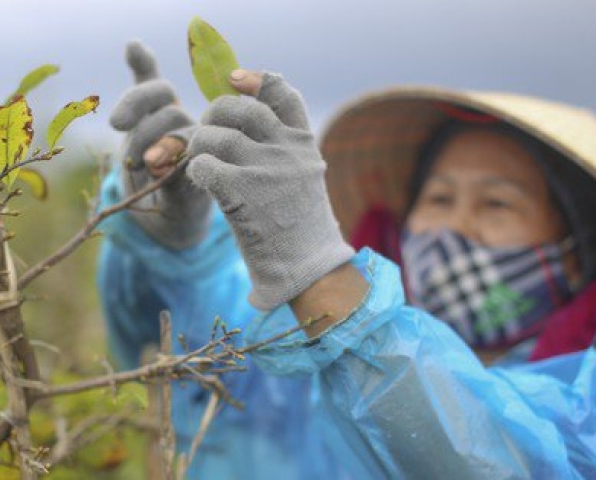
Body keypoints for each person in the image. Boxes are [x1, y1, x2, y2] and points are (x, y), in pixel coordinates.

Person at [97, 41, 596, 478]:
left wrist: (325, 279)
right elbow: (178, 324)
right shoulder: (302, 348)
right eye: (439, 199)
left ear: (575, 253)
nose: (453, 227)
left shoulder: (581, 404)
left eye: (496, 204)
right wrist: (170, 238)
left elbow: (496, 459)